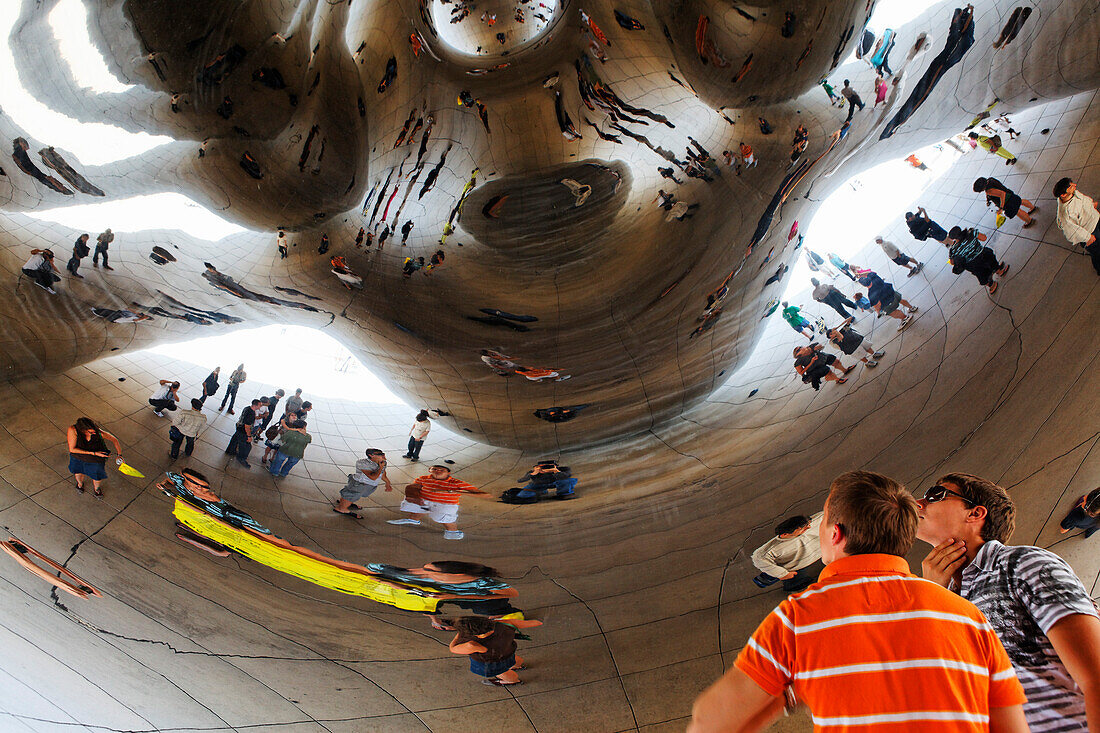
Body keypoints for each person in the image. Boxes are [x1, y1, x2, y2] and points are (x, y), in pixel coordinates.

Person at [688, 470, 1028, 733]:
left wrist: (787, 695)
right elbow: (1012, 725)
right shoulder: (968, 616)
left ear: (835, 534)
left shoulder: (797, 619)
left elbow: (710, 723)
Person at [917, 473, 1100, 732]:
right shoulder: (943, 596)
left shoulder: (1021, 564)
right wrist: (933, 595)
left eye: (935, 495)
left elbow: (1096, 679)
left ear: (975, 513)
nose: (918, 503)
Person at [387, 465, 487, 540]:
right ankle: (414, 520)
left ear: (448, 473)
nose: (437, 471)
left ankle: (453, 532)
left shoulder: (456, 483)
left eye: (441, 470)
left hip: (444, 504)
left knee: (445, 519)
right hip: (424, 500)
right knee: (415, 506)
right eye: (434, 469)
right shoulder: (423, 478)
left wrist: (457, 491)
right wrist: (414, 496)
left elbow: (483, 494)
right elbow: (413, 487)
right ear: (429, 470)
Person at [750, 512, 824, 591]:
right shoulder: (773, 549)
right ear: (785, 534)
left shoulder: (816, 521)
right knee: (789, 578)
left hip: (810, 556)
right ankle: (764, 581)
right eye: (801, 529)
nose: (808, 527)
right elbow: (758, 558)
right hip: (794, 565)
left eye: (806, 525)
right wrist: (783, 574)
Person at [447, 617, 524, 686]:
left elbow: (453, 648)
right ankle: (517, 666)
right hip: (507, 650)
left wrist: (459, 634)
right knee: (511, 658)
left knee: (501, 672)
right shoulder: (502, 625)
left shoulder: (472, 645)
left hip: (492, 661)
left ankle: (512, 680)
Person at [67, 417, 124, 498]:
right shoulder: (73, 430)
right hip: (79, 456)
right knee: (79, 472)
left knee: (97, 476)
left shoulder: (98, 432)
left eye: (94, 431)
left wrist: (119, 455)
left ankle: (97, 489)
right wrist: (94, 453)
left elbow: (115, 440)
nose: (94, 433)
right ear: (82, 430)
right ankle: (80, 484)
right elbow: (72, 449)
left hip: (96, 459)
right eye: (90, 432)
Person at [1053, 177, 1100, 275]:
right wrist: (1088, 237)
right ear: (1063, 194)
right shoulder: (1065, 214)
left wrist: (1091, 205)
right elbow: (1072, 230)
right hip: (1091, 232)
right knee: (1097, 253)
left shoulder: (1073, 193)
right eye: (1070, 186)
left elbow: (1083, 199)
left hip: (1095, 220)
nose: (1074, 185)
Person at [946, 225, 1009, 294]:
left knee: (982, 276)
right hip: (984, 254)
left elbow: (952, 262)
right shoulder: (971, 233)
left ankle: (992, 285)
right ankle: (999, 271)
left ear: (953, 239)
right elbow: (984, 238)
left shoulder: (954, 250)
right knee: (992, 262)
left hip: (973, 265)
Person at [334, 449, 394, 515]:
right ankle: (342, 509)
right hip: (359, 483)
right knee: (351, 494)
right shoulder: (362, 463)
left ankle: (346, 503)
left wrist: (387, 483)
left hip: (369, 484)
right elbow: (373, 477)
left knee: (352, 495)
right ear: (371, 455)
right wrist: (380, 467)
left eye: (383, 454)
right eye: (380, 454)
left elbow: (382, 473)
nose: (383, 456)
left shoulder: (382, 462)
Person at [225, 398, 260, 468]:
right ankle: (241, 458)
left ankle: (230, 451)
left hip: (239, 427)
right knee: (247, 446)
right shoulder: (251, 414)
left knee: (234, 440)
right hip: (243, 431)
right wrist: (249, 436)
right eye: (260, 405)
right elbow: (247, 426)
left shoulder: (247, 408)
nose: (260, 406)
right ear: (256, 405)